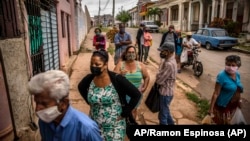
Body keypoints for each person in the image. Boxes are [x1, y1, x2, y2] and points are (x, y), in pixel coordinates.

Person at [78, 49, 141, 141]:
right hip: (95, 126)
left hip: (114, 127)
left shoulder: (117, 79)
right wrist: (89, 101)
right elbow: (81, 87)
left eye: (97, 64)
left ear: (105, 65)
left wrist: (125, 113)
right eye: (91, 64)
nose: (93, 66)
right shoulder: (89, 79)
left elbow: (136, 94)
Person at [27, 70, 103, 141]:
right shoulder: (44, 121)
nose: (37, 109)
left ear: (63, 103)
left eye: (44, 104)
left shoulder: (87, 129)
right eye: (36, 102)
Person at [113, 46, 150, 119]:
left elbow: (147, 77)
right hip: (123, 94)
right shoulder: (120, 64)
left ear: (136, 54)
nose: (131, 54)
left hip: (136, 94)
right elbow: (113, 77)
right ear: (126, 54)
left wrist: (145, 87)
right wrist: (120, 74)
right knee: (123, 111)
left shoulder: (140, 65)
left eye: (133, 52)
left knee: (133, 110)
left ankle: (132, 125)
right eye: (129, 52)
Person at [208, 55, 244, 124]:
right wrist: (211, 109)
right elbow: (216, 93)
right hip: (223, 105)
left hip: (233, 104)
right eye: (228, 64)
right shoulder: (222, 76)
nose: (230, 67)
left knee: (229, 121)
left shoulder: (237, 74)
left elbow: (238, 89)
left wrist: (240, 100)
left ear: (238, 66)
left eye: (233, 65)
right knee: (222, 121)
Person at [156, 42, 177, 125]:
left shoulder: (169, 64)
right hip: (169, 92)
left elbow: (159, 80)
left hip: (165, 93)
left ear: (168, 52)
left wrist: (158, 73)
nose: (161, 53)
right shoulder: (172, 60)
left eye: (163, 51)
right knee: (166, 112)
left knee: (163, 117)